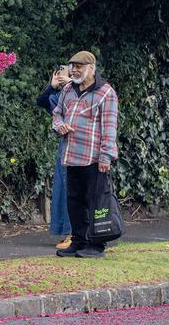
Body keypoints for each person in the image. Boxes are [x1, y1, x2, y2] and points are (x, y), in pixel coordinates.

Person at [51, 51, 118, 259]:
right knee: (74, 201)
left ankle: (96, 245)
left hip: (94, 158)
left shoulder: (105, 93)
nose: (74, 70)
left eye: (79, 66)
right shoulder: (68, 90)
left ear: (91, 68)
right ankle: (78, 241)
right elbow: (57, 113)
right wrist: (60, 126)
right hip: (71, 157)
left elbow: (109, 128)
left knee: (94, 203)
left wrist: (106, 157)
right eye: (73, 66)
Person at [36, 65, 72, 249]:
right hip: (65, 146)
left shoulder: (82, 91)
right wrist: (52, 85)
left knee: (75, 189)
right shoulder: (61, 96)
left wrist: (72, 83)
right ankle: (68, 232)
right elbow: (42, 101)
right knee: (63, 188)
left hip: (82, 145)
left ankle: (76, 233)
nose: (62, 75)